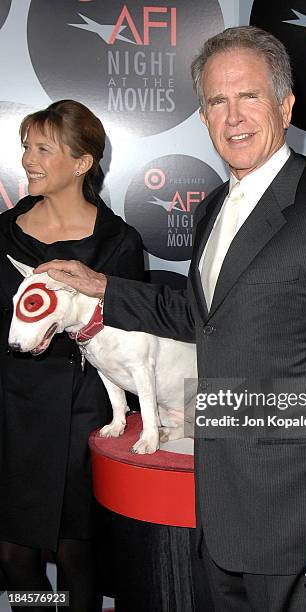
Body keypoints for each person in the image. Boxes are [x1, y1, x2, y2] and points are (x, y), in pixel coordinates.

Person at [36, 28, 306, 612]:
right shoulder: (212, 207)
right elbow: (199, 316)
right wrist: (103, 286)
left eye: (249, 97)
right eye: (215, 102)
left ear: (285, 104)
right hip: (219, 516)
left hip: (304, 526)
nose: (232, 117)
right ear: (203, 116)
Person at [0, 100, 144, 611]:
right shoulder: (2, 235)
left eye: (43, 148)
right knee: (14, 555)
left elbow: (136, 340)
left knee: (78, 555)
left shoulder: (120, 243)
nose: (28, 160)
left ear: (82, 163)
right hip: (14, 416)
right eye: (25, 147)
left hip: (87, 416)